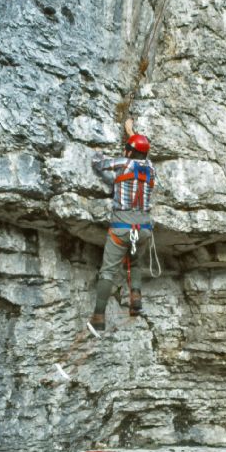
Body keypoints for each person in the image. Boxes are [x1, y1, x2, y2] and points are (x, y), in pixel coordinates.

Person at [88, 118, 156, 336]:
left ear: (129, 152)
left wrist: (97, 151)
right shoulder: (151, 169)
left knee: (108, 271)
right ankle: (136, 297)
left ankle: (98, 316)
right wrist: (131, 132)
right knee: (134, 263)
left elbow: (99, 165)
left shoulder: (122, 163)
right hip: (143, 229)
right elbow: (141, 154)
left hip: (121, 228)